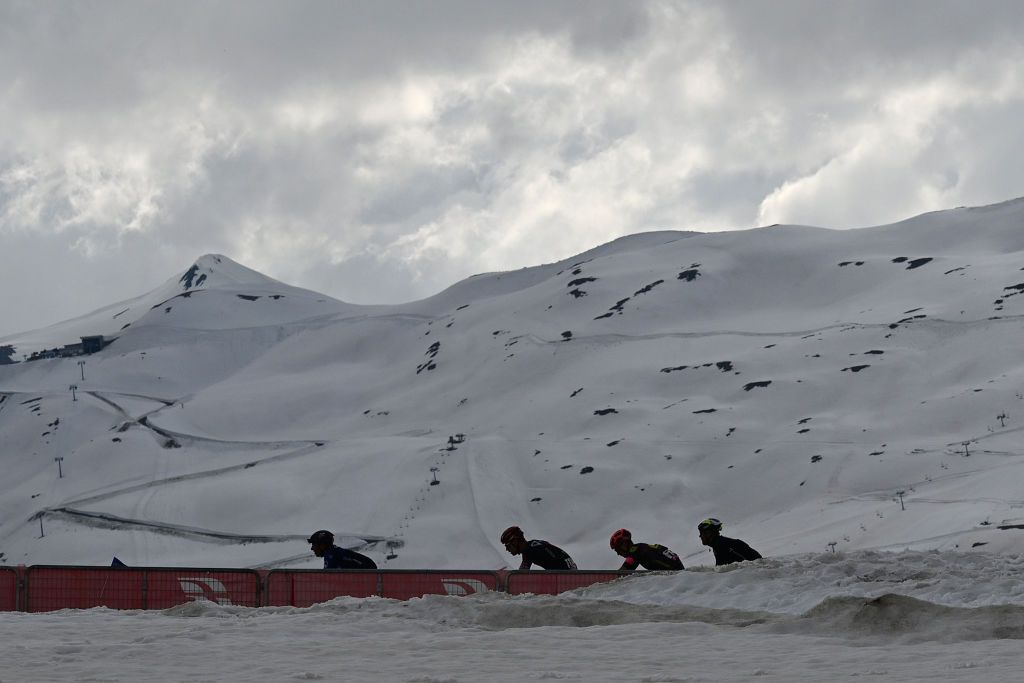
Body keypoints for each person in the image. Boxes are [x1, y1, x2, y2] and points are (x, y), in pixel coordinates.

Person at [500, 526, 577, 570]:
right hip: (572, 572)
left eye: (507, 546)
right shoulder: (534, 544)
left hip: (566, 574)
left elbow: (521, 574)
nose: (507, 549)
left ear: (515, 541)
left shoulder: (528, 551)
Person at [609, 528, 683, 571]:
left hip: (673, 575)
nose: (618, 553)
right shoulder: (642, 547)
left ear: (624, 544)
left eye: (618, 549)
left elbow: (622, 572)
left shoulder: (635, 551)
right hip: (678, 574)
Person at [697, 518, 761, 566]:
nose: (700, 536)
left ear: (709, 533)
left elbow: (721, 571)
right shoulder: (721, 543)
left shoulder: (720, 545)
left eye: (701, 533)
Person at [307, 529, 377, 569]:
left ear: (322, 545)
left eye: (314, 545)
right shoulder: (333, 552)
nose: (312, 548)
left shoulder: (331, 555)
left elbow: (326, 578)